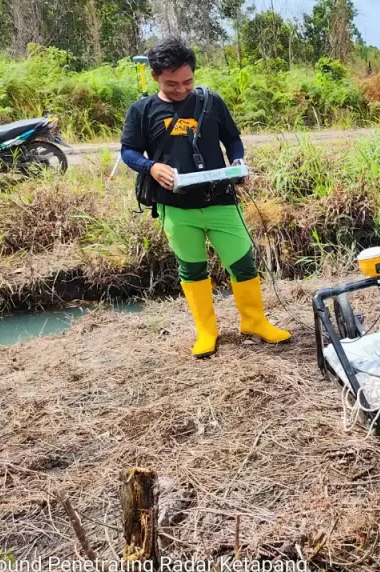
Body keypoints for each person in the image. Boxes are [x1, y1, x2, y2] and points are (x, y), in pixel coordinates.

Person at [120, 38, 290, 358]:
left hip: (220, 200)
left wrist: (238, 161)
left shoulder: (211, 102)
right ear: (156, 76)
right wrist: (151, 167)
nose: (181, 89)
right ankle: (207, 332)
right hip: (176, 207)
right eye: (172, 84)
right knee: (192, 268)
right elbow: (128, 152)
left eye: (188, 81)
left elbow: (233, 140)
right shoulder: (141, 110)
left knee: (242, 262)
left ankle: (254, 322)